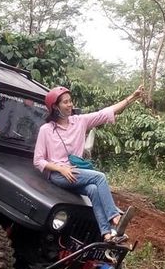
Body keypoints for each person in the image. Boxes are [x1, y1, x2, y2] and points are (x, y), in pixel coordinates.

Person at [33, 85, 144, 242]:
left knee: (93, 189)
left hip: (76, 173)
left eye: (70, 101)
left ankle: (106, 234)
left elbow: (105, 113)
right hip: (59, 175)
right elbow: (38, 161)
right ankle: (115, 218)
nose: (70, 104)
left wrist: (132, 97)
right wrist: (60, 168)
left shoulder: (80, 122)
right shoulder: (46, 130)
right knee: (99, 178)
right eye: (65, 102)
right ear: (55, 107)